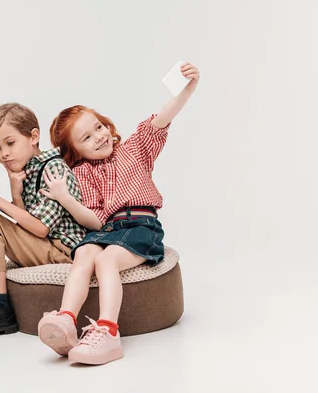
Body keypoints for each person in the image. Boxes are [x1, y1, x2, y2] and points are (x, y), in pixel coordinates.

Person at [37, 63, 200, 364]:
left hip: (141, 226)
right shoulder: (82, 173)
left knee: (106, 258)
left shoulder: (134, 149)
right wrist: (63, 197)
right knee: (85, 252)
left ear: (107, 124)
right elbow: (95, 221)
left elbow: (160, 121)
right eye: (86, 138)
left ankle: (109, 333)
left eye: (98, 127)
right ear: (76, 152)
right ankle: (66, 320)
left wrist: (186, 91)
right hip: (107, 229)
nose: (98, 137)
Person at [0, 102, 86, 339]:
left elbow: (40, 229)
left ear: (34, 136)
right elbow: (25, 223)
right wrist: (16, 194)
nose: (3, 154)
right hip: (42, 244)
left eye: (10, 143)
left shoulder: (54, 170)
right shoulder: (27, 170)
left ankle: (0, 307)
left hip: (61, 251)